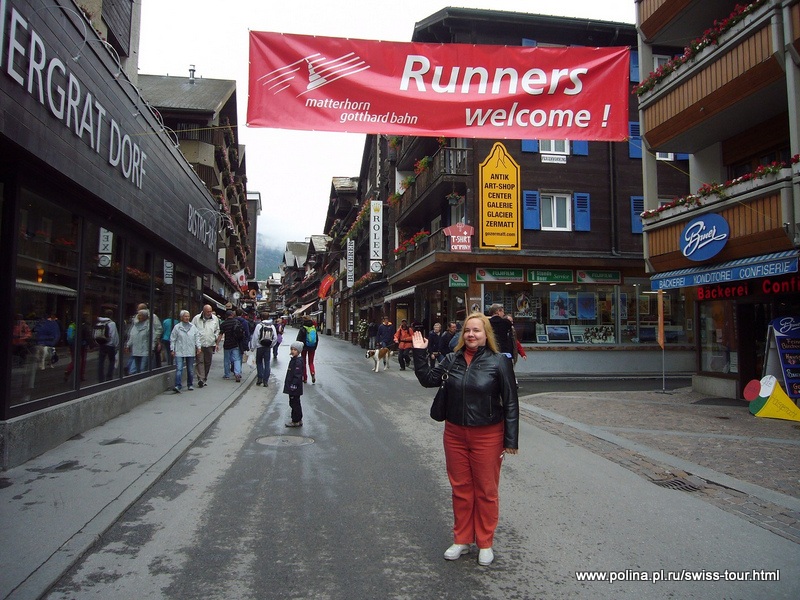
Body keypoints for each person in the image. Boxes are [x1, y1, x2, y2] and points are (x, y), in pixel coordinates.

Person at [411, 312, 519, 567]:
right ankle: (462, 539)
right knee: (461, 488)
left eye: (477, 331)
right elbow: (428, 380)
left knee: (486, 490)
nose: (471, 334)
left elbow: (511, 402)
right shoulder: (451, 360)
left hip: (488, 435)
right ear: (462, 334)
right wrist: (418, 353)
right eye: (467, 330)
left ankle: (485, 542)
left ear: (486, 335)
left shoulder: (499, 362)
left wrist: (510, 440)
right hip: (455, 433)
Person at [170, 310, 201, 392]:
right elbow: (173, 339)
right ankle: (178, 385)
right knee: (179, 368)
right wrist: (172, 349)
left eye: (188, 316)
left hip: (190, 351)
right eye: (185, 316)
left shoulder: (193, 327)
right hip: (179, 350)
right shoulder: (177, 327)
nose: (187, 318)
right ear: (181, 317)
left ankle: (190, 384)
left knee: (190, 369)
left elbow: (197, 338)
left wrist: (198, 347)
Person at [191, 305, 221, 388]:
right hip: (199, 344)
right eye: (207, 311)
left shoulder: (215, 319)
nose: (209, 313)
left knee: (208, 362)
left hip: (210, 344)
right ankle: (201, 379)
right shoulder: (196, 318)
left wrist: (215, 337)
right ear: (203, 311)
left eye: (210, 311)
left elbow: (217, 329)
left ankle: (205, 378)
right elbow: (192, 329)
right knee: (200, 361)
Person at [250, 313, 277, 386]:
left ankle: (260, 378)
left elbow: (255, 337)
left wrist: (253, 347)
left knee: (259, 362)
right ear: (268, 317)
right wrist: (271, 345)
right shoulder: (272, 326)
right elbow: (275, 338)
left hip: (259, 347)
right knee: (267, 363)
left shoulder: (259, 325)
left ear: (261, 318)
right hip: (267, 347)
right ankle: (266, 381)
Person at [283, 341, 305, 427]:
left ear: (299, 351)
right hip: (294, 386)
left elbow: (297, 375)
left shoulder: (297, 361)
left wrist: (293, 385)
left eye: (295, 350)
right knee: (295, 402)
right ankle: (298, 419)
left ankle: (295, 420)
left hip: (294, 387)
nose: (292, 351)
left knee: (294, 403)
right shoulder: (295, 360)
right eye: (292, 349)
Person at [125, 308, 152, 374]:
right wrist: (128, 345)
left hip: (145, 351)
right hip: (136, 351)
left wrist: (152, 349)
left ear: (145, 317)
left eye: (141, 315)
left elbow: (152, 338)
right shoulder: (135, 326)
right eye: (139, 315)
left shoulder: (149, 326)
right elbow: (132, 337)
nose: (139, 317)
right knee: (135, 370)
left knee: (142, 369)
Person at [95, 309, 119, 382]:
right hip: (110, 345)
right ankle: (109, 376)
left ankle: (100, 378)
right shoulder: (112, 323)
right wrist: (116, 344)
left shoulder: (99, 323)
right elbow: (114, 335)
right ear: (111, 315)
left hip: (102, 344)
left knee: (101, 361)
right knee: (112, 360)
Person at [220, 310, 244, 382]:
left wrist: (217, 343)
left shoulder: (224, 324)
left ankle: (227, 375)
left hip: (227, 344)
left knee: (227, 360)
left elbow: (221, 334)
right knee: (236, 359)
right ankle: (237, 373)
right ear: (232, 315)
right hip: (236, 343)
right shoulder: (237, 322)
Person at [296, 316, 318, 384]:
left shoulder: (303, 328)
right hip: (312, 347)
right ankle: (312, 372)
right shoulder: (313, 328)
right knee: (311, 362)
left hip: (304, 347)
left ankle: (304, 378)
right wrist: (315, 347)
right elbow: (317, 339)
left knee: (303, 363)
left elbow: (298, 339)